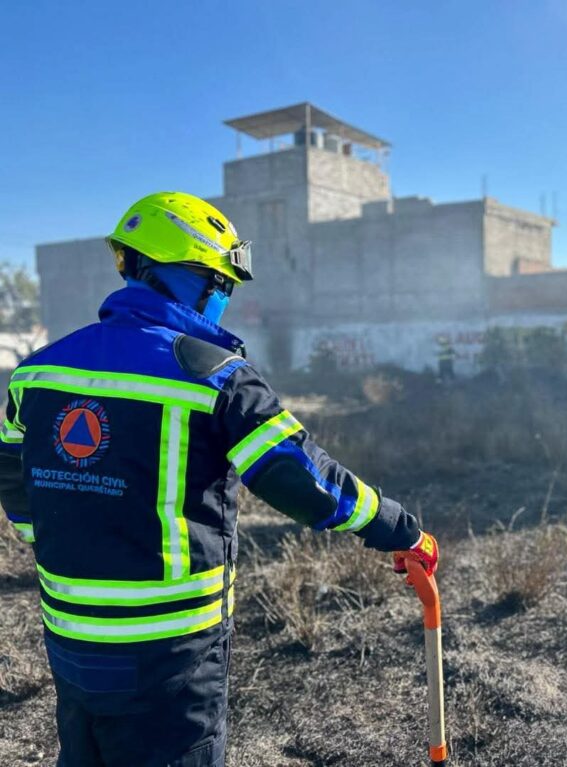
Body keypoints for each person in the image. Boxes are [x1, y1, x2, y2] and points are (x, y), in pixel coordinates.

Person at [0, 192, 438, 766]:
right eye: (222, 284)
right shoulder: (215, 376)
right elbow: (303, 479)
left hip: (71, 639)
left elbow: (11, 473)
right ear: (192, 278)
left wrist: (57, 540)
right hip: (171, 654)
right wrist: (398, 527)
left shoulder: (37, 371)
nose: (224, 300)